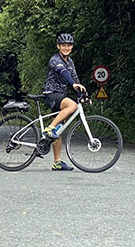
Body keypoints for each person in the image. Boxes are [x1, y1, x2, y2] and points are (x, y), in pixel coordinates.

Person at [41, 32, 87, 171]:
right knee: (71, 105)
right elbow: (64, 73)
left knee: (59, 129)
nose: (66, 47)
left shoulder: (70, 61)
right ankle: (48, 129)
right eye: (63, 45)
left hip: (60, 95)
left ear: (71, 47)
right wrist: (72, 84)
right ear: (58, 46)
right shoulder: (54, 59)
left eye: (69, 45)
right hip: (51, 94)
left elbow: (75, 77)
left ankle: (57, 162)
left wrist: (84, 95)